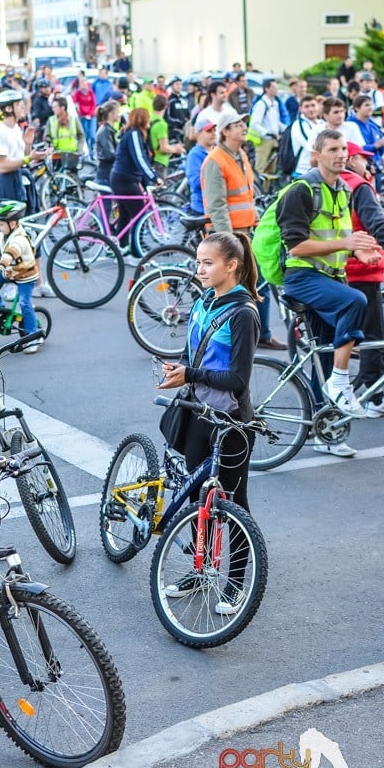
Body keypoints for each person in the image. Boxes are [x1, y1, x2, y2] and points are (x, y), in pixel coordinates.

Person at [158, 231, 261, 612]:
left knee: (233, 503)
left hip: (230, 422)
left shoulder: (244, 314)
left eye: (207, 262)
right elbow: (194, 354)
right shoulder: (205, 301)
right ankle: (202, 571)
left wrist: (190, 374)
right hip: (197, 414)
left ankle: (235, 582)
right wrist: (180, 371)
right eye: (198, 261)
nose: (199, 269)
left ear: (231, 265)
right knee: (197, 497)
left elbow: (237, 380)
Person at [276, 129, 380, 419]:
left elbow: (336, 238)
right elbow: (295, 247)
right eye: (333, 149)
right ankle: (340, 380)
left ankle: (323, 428)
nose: (341, 155)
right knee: (355, 301)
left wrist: (357, 252)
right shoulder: (301, 190)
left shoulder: (341, 190)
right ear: (316, 154)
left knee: (322, 354)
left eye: (343, 149)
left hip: (329, 276)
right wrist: (347, 244)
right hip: (302, 276)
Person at [201, 112, 286, 350]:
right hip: (233, 235)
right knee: (241, 286)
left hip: (247, 230)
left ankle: (261, 334)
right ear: (225, 131)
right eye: (237, 125)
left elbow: (247, 194)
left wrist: (256, 219)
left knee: (257, 283)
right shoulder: (215, 161)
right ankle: (240, 336)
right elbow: (217, 205)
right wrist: (229, 241)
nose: (243, 128)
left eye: (243, 124)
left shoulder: (240, 155)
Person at [341, 141, 384, 423]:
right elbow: (378, 225)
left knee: (363, 332)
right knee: (373, 336)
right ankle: (375, 398)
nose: (368, 163)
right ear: (350, 160)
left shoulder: (336, 184)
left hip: (344, 269)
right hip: (361, 268)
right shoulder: (359, 186)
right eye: (363, 158)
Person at [0, 201, 42, 353]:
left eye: (1, 225)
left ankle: (33, 336)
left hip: (25, 275)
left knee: (24, 303)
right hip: (12, 272)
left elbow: (9, 255)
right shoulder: (4, 235)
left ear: (12, 223)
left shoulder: (19, 239)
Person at [109, 107, 160, 260]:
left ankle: (121, 247)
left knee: (125, 215)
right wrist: (154, 177)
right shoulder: (134, 134)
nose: (149, 122)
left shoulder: (132, 134)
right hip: (125, 179)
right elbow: (139, 159)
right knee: (139, 215)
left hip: (122, 178)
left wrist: (146, 182)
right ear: (142, 120)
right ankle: (135, 253)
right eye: (148, 119)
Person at [248, 79, 286, 172]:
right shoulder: (261, 104)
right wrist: (266, 133)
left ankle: (266, 187)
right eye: (273, 87)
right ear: (266, 89)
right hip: (264, 141)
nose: (276, 89)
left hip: (274, 139)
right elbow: (254, 124)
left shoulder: (275, 103)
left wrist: (286, 129)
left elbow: (276, 122)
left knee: (271, 169)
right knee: (260, 167)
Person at [184, 114, 216, 215]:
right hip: (202, 208)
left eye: (214, 130)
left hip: (216, 207)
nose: (213, 133)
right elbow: (195, 182)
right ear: (198, 133)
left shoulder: (217, 151)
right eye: (209, 131)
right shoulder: (194, 155)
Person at [289, 94, 325, 178]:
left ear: (318, 106)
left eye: (313, 105)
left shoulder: (322, 123)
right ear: (300, 109)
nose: (311, 109)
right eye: (307, 106)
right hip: (303, 171)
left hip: (320, 170)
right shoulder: (298, 125)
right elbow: (312, 145)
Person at [44, 95, 85, 166]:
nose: (53, 109)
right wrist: (49, 147)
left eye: (55, 107)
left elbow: (81, 135)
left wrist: (79, 150)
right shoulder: (51, 120)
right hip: (57, 155)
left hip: (73, 154)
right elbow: (47, 137)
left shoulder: (73, 119)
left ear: (62, 108)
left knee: (73, 176)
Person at [149, 94, 183, 179]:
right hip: (160, 160)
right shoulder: (161, 124)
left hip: (151, 159)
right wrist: (176, 149)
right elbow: (163, 148)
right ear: (166, 106)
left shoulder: (150, 119)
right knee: (161, 189)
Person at [94, 100, 119, 187]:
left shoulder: (108, 130)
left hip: (108, 172)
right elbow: (109, 154)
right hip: (106, 173)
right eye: (117, 112)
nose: (119, 115)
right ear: (111, 114)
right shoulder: (105, 131)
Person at [72, 75, 97, 158]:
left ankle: (92, 150)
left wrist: (90, 114)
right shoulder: (78, 93)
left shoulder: (90, 92)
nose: (84, 85)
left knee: (92, 135)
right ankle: (87, 152)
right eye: (82, 83)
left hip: (91, 116)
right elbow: (73, 102)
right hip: (82, 116)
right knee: (85, 135)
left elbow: (94, 104)